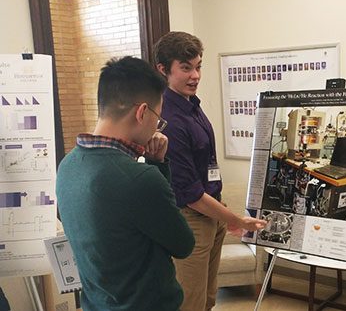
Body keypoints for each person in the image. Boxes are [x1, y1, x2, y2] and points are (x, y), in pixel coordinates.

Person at [56, 57, 195, 310]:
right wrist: (158, 166)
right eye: (158, 118)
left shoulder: (68, 166)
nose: (157, 127)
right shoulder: (139, 178)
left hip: (97, 303)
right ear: (142, 112)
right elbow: (183, 244)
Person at [154, 31, 267, 311]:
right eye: (186, 68)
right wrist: (237, 220)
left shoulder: (192, 106)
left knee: (207, 298)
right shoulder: (170, 118)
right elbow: (190, 193)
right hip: (192, 218)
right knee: (190, 302)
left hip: (212, 212)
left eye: (198, 66)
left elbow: (206, 168)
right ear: (163, 69)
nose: (195, 75)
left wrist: (222, 215)